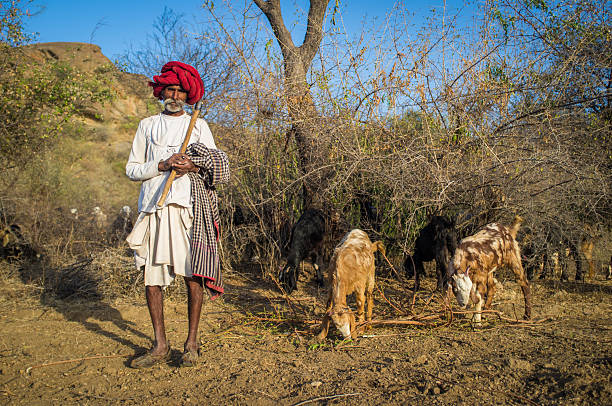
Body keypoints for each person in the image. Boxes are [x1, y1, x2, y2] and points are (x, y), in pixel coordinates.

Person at [125, 61, 229, 368]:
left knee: (193, 275)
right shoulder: (147, 125)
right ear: (161, 92)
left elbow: (215, 163)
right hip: (154, 209)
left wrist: (192, 167)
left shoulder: (198, 125)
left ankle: (191, 344)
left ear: (188, 95)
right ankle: (159, 346)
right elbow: (131, 169)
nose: (175, 95)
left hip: (187, 209)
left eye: (181, 91)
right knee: (152, 278)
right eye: (170, 89)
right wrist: (161, 165)